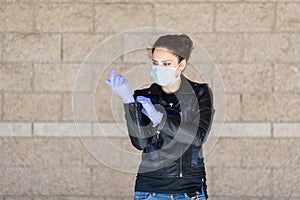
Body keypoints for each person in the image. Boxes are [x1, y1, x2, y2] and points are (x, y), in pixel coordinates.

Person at [105, 34, 215, 200]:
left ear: (181, 65)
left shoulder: (199, 93)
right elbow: (141, 143)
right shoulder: (145, 96)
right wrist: (129, 102)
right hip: (150, 189)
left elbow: (198, 137)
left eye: (166, 64)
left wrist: (161, 120)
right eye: (156, 63)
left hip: (189, 191)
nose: (159, 68)